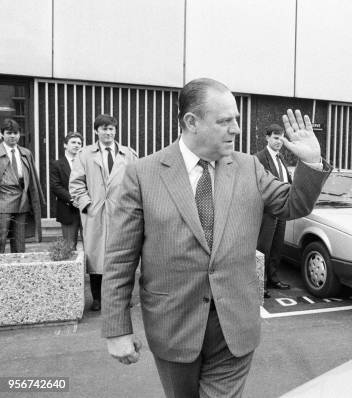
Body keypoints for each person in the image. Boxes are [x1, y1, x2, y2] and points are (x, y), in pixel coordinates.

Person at [101, 77, 330, 398]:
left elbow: (294, 204)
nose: (236, 129)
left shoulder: (249, 167)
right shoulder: (143, 174)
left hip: (234, 325)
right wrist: (117, 328)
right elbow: (121, 257)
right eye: (225, 121)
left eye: (235, 119)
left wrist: (311, 162)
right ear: (191, 122)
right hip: (173, 326)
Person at [69, 115, 138, 312]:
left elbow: (137, 181)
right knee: (96, 257)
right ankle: (98, 298)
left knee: (124, 256)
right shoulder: (85, 154)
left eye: (112, 129)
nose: (108, 133)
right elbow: (76, 184)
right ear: (96, 131)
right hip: (96, 212)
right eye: (104, 129)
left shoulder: (129, 154)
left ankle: (123, 297)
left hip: (122, 212)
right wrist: (87, 205)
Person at [256, 124, 292, 298]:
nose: (279, 141)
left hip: (281, 211)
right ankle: (260, 284)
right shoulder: (259, 159)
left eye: (282, 138)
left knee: (277, 248)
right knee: (263, 249)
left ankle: (273, 279)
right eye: (276, 138)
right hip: (267, 212)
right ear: (267, 138)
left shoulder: (281, 158)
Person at [0, 119, 45, 253]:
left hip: (22, 199)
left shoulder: (26, 153)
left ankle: (17, 269)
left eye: (16, 133)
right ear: (2, 134)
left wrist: (36, 201)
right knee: (1, 238)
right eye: (9, 133)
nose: (13, 136)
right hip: (3, 200)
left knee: (20, 241)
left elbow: (33, 180)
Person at [50, 132, 83, 250]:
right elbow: (55, 186)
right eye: (73, 142)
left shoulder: (86, 163)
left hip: (86, 209)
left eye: (79, 143)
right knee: (69, 247)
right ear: (65, 145)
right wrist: (72, 199)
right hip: (68, 210)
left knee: (91, 247)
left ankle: (91, 269)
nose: (77, 145)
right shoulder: (57, 164)